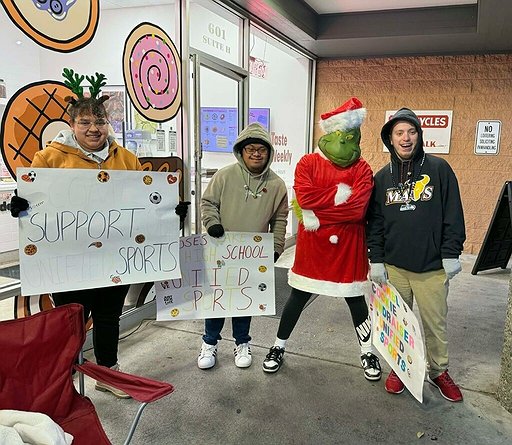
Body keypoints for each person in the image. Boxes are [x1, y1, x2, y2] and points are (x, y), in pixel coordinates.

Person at [10, 69, 189, 398]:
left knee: (108, 316)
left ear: (108, 123)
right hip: (70, 259)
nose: (94, 128)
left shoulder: (126, 159)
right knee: (70, 321)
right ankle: (62, 380)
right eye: (85, 122)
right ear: (72, 125)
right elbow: (34, 200)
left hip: (113, 257)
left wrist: (168, 211)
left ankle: (107, 372)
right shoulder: (49, 158)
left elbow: (143, 202)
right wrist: (20, 204)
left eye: (100, 121)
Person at [262, 97, 382, 381]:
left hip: (349, 248)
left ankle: (367, 351)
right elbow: (304, 198)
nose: (344, 141)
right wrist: (340, 195)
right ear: (329, 133)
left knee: (355, 299)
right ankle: (278, 346)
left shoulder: (362, 169)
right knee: (298, 296)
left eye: (350, 136)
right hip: (313, 249)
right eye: (339, 134)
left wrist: (319, 211)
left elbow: (358, 209)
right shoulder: (307, 163)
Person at [366, 107, 466, 402]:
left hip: (432, 267)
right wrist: (376, 259)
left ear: (419, 136)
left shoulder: (439, 169)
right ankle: (400, 368)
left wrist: (451, 252)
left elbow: (453, 214)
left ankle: (438, 371)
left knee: (435, 324)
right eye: (399, 133)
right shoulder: (382, 178)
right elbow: (376, 224)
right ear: (390, 139)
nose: (405, 138)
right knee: (396, 324)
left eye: (411, 132)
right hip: (395, 267)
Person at [199, 122, 288, 369]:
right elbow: (208, 203)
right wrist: (212, 224)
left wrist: (276, 247)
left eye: (262, 149)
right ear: (241, 150)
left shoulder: (277, 185)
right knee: (217, 300)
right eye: (251, 149)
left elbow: (280, 219)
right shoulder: (224, 175)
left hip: (252, 253)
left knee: (244, 300)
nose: (256, 154)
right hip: (221, 249)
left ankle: (242, 343)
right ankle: (209, 343)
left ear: (269, 152)